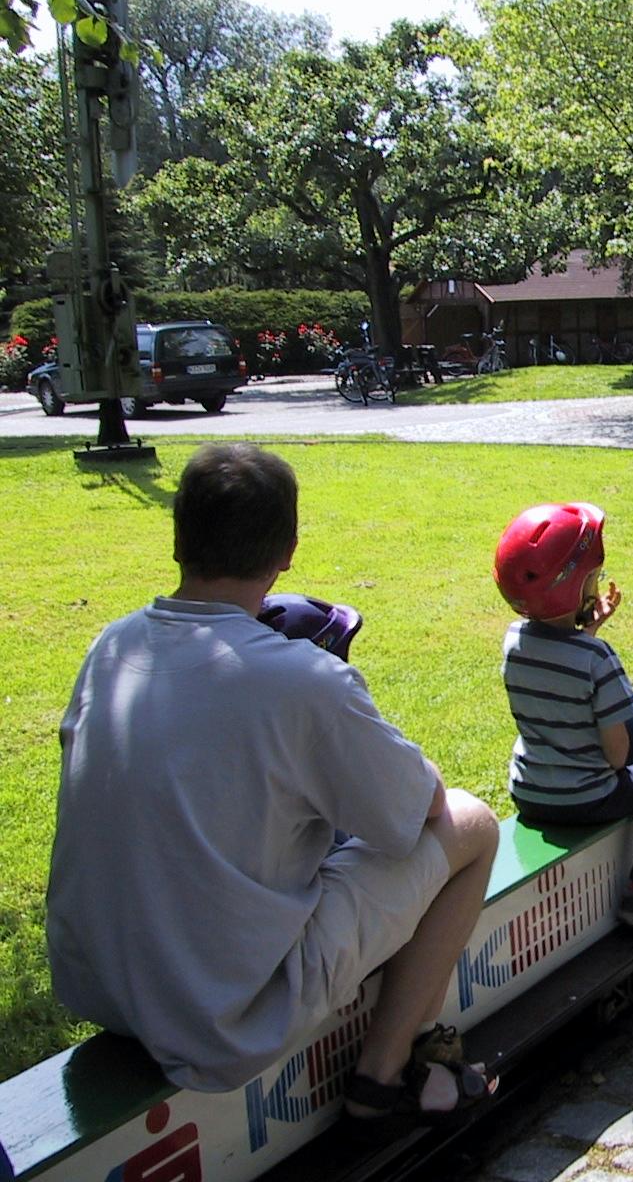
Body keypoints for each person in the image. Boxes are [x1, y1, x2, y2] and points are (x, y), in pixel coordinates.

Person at [45, 443, 500, 1136]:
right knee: (473, 822)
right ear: (287, 552)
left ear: (179, 538)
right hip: (221, 1015)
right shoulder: (303, 681)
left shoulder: (112, 647)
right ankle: (382, 1078)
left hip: (97, 986)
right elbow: (419, 811)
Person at [494, 502, 633, 927]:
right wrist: (591, 642)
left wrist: (587, 630)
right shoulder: (597, 659)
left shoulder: (513, 642)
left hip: (529, 792)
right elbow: (617, 756)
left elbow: (561, 667)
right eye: (593, 578)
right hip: (585, 798)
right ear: (574, 585)